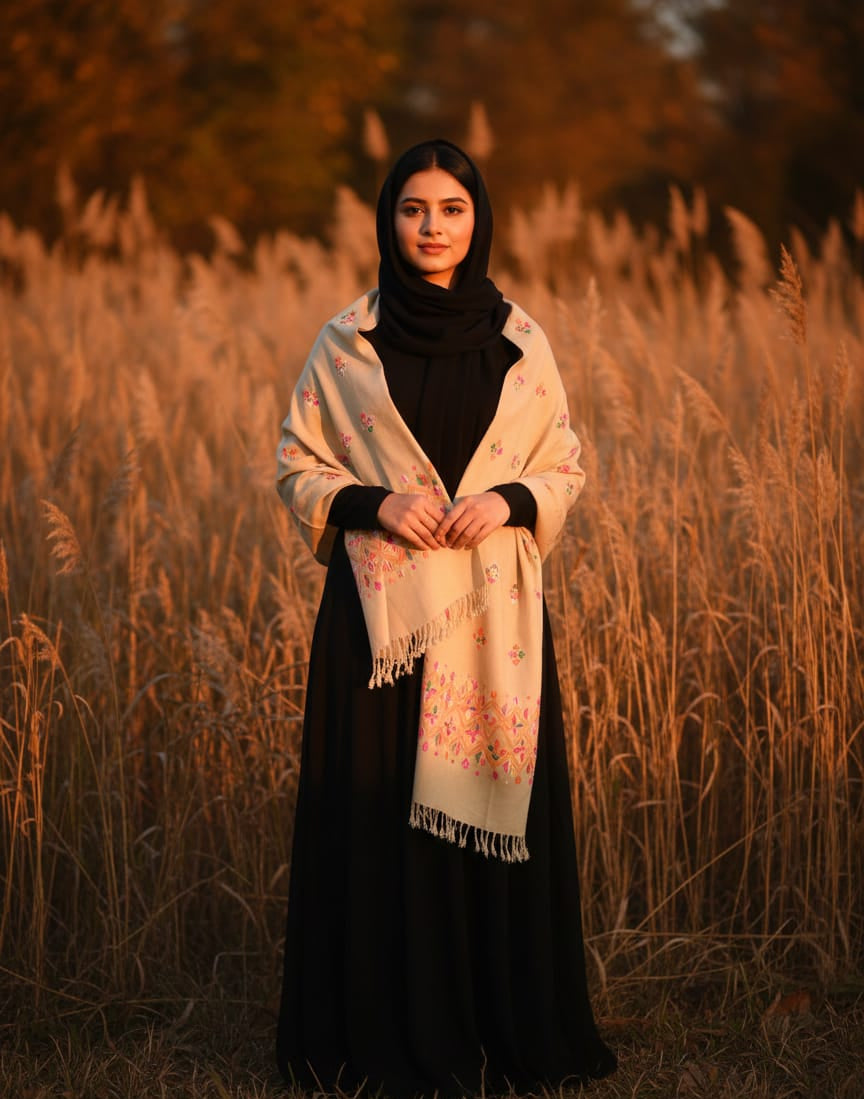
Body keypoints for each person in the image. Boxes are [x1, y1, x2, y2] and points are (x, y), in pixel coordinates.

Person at [275, 138, 616, 1098]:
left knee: (477, 822)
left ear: (478, 219)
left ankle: (502, 1034)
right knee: (377, 817)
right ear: (389, 219)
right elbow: (298, 463)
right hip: (380, 633)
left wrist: (510, 498)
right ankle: (374, 1040)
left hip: (491, 627)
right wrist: (372, 502)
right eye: (414, 209)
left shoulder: (521, 341)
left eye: (451, 209)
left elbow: (563, 465)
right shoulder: (345, 342)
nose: (432, 227)